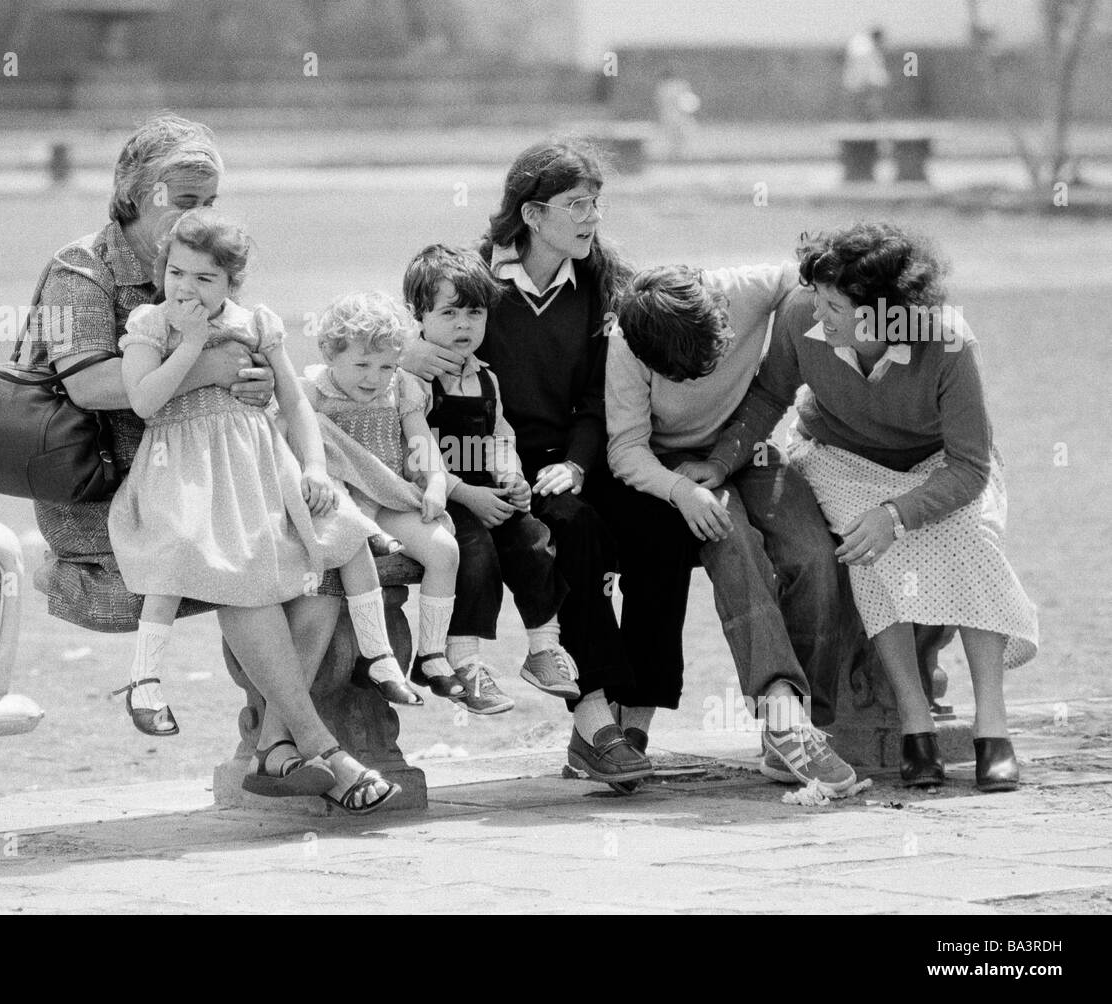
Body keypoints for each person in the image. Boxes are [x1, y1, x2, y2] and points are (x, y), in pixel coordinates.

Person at [30, 115, 395, 813]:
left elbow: (255, 366)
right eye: (186, 197)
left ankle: (271, 744)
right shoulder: (79, 270)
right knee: (248, 578)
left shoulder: (202, 260)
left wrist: (250, 381)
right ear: (135, 192)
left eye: (211, 199)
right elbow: (86, 385)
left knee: (321, 569)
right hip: (112, 490)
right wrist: (212, 368)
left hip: (219, 472)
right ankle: (324, 749)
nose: (201, 213)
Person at [706, 221, 1038, 792]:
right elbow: (768, 397)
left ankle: (993, 727)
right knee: (866, 551)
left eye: (835, 305)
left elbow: (970, 467)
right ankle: (916, 727)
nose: (819, 313)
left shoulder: (948, 342)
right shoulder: (800, 317)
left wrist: (898, 513)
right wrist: (718, 462)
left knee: (973, 541)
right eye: (818, 297)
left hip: (938, 466)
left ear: (887, 313)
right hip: (838, 456)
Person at [107, 207, 419, 750]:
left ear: (231, 281)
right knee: (177, 546)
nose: (187, 288)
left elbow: (295, 401)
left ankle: (379, 655)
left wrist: (316, 466)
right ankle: (146, 680)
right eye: (176, 273)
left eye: (205, 278)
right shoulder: (151, 325)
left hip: (256, 465)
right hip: (183, 470)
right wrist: (189, 343)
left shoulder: (256, 324)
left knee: (343, 530)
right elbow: (144, 401)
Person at [401, 138, 644, 787]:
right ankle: (593, 720)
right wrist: (406, 356)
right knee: (520, 537)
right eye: (578, 204)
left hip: (548, 463)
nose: (592, 217)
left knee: (581, 524)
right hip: (461, 463)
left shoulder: (597, 281)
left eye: (596, 203)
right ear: (533, 215)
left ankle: (597, 717)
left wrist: (577, 465)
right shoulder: (476, 281)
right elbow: (408, 332)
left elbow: (597, 397)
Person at [607, 263, 859, 796]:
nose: (699, 378)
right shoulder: (627, 344)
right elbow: (625, 448)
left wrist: (792, 370)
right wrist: (683, 491)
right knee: (733, 543)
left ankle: (801, 724)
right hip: (676, 467)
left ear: (717, 312)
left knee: (815, 556)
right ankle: (784, 716)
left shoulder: (744, 289)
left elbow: (805, 285)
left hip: (752, 447)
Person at [403, 243, 575, 712]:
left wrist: (512, 478)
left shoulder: (486, 379)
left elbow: (501, 435)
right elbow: (414, 455)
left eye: (474, 313)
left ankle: (543, 648)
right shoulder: (412, 380)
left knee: (535, 539)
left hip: (486, 490)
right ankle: (463, 661)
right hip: (438, 498)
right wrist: (467, 496)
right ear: (419, 314)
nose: (464, 324)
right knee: (474, 553)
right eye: (450, 312)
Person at [299, 292, 472, 709]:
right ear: (329, 352)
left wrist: (434, 481)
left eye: (386, 365)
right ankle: (378, 656)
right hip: (343, 503)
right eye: (361, 364)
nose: (374, 377)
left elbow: (420, 439)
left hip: (390, 495)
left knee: (445, 550)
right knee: (354, 542)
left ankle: (430, 656)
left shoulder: (401, 388)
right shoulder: (314, 392)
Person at [843, 27, 889, 121]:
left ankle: (870, 117)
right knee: (870, 97)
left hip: (862, 79)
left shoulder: (863, 46)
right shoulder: (866, 49)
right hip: (864, 79)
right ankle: (870, 117)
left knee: (869, 97)